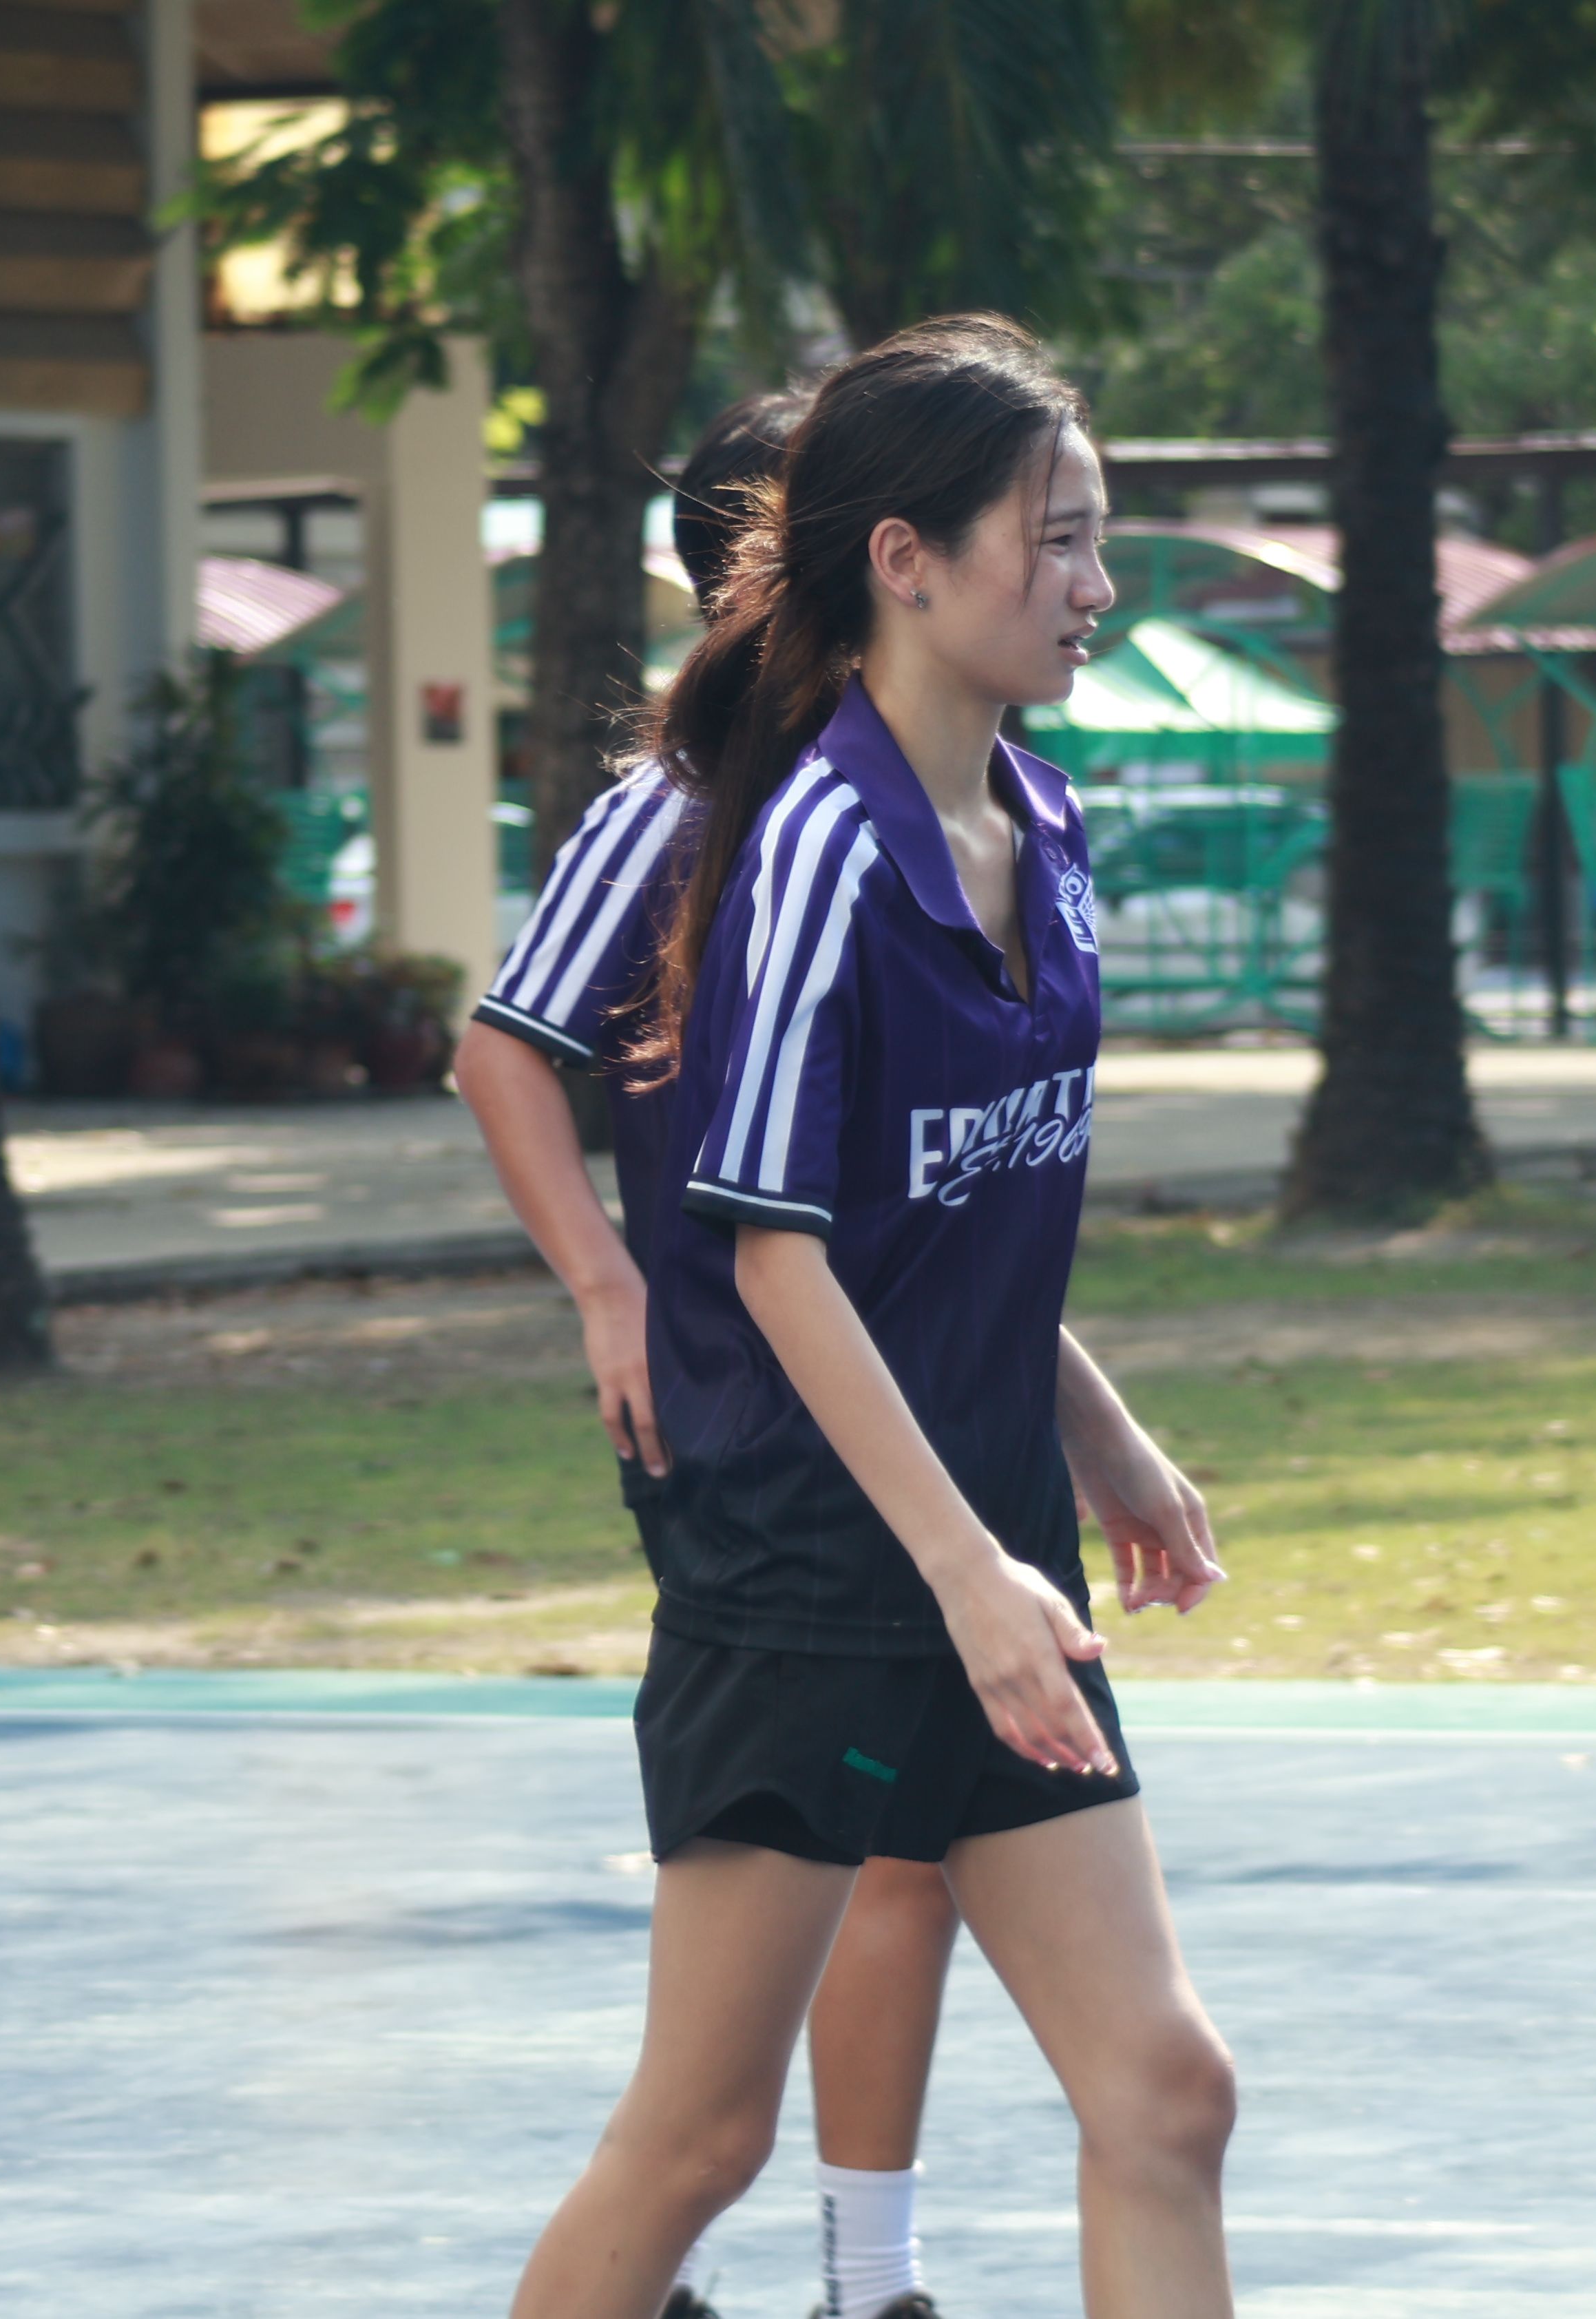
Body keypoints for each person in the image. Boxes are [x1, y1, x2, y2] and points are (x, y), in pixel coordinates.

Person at [503, 315, 1237, 2319]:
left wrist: (1096, 1436)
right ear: (904, 560)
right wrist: (964, 1571)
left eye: (1098, 537)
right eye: (1057, 541)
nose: (1097, 585)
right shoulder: (810, 847)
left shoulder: (1050, 829)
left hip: (989, 1532)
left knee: (1167, 2092)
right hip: (819, 1565)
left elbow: (952, 1207)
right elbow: (773, 1251)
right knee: (699, 2140)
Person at [461, 387, 979, 2319]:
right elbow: (505, 1050)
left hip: (906, 1409)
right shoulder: (681, 807)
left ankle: (869, 2277)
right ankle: (661, 2268)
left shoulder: (933, 800)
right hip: (756, 1431)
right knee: (749, 2018)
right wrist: (605, 1285)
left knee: (913, 1859)